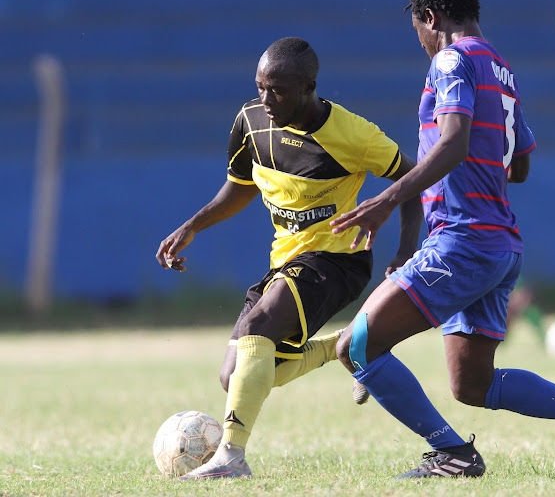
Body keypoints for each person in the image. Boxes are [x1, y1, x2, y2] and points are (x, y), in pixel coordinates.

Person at [332, 0, 555, 479]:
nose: (419, 40)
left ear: (431, 18)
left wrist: (389, 198)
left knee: (354, 346)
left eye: (417, 27)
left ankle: (453, 454)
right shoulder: (500, 67)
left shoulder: (450, 60)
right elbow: (521, 163)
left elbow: (455, 139)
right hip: (498, 243)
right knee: (472, 385)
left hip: (461, 241)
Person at [155, 36, 422, 479]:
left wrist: (404, 254)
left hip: (338, 261)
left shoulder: (354, 135)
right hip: (286, 262)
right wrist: (193, 225)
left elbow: (412, 182)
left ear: (309, 87)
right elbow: (241, 185)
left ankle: (231, 459)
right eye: (260, 86)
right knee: (237, 375)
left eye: (277, 89)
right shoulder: (251, 121)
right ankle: (346, 345)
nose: (266, 98)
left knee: (259, 328)